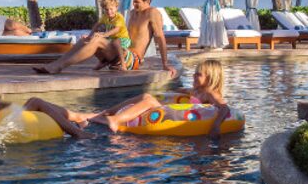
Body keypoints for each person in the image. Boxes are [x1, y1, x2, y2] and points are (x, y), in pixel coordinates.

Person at [36, 0, 176, 75]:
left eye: (137, 1)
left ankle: (58, 67)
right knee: (87, 40)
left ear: (148, 1)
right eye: (134, 0)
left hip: (133, 60)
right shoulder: (133, 13)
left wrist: (165, 64)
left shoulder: (153, 13)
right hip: (121, 52)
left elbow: (160, 38)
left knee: (97, 40)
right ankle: (55, 64)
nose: (134, 3)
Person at [87, 58, 232, 136]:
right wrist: (174, 87)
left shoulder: (211, 93)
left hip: (171, 117)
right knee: (146, 95)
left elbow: (224, 108)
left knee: (149, 100)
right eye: (194, 73)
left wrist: (215, 125)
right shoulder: (196, 91)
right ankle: (108, 112)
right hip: (171, 113)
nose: (193, 76)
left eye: (198, 74)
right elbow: (183, 91)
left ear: (211, 78)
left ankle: (115, 120)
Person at [0, 60, 88, 139]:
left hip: (3, 123)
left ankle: (75, 118)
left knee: (36, 102)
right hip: (5, 125)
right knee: (36, 101)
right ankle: (77, 132)